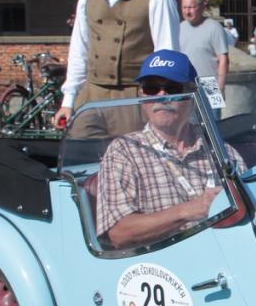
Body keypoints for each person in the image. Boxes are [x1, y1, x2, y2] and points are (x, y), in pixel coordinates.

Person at [94, 50, 244, 248]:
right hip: (160, 262)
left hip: (225, 252)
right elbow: (118, 233)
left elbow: (249, 209)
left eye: (172, 88)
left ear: (193, 95)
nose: (162, 96)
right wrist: (190, 210)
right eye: (151, 88)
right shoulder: (124, 150)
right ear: (141, 95)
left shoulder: (220, 150)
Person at [54, 0, 179, 137]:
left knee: (131, 157)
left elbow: (167, 55)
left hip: (133, 99)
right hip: (91, 97)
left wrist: (160, 102)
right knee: (79, 155)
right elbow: (79, 49)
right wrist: (68, 101)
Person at [178, 0, 230, 95]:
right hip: (185, 84)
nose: (187, 12)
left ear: (202, 8)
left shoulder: (214, 28)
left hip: (209, 84)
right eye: (184, 7)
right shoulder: (179, 28)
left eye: (191, 7)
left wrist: (220, 88)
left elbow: (223, 59)